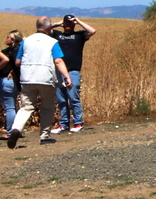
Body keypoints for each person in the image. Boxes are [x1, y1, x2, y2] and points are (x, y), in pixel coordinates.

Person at [9, 17, 72, 147]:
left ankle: (16, 129)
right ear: (49, 27)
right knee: (47, 108)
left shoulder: (26, 42)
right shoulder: (53, 42)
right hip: (46, 78)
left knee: (25, 107)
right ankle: (44, 136)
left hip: (27, 79)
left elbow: (17, 62)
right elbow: (58, 61)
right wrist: (67, 76)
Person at [51, 14, 97, 134]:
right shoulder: (57, 35)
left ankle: (78, 122)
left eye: (71, 23)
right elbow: (43, 29)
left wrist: (78, 21)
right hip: (59, 71)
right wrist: (58, 23)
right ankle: (64, 124)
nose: (68, 25)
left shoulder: (79, 35)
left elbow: (92, 31)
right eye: (67, 23)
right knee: (61, 99)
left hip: (73, 71)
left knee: (73, 97)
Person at [0, 32, 21, 138]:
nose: (6, 38)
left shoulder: (10, 52)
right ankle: (17, 130)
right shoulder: (19, 51)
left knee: (9, 108)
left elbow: (7, 60)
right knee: (12, 107)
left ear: (13, 40)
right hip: (14, 82)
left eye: (8, 37)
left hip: (6, 81)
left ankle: (10, 132)